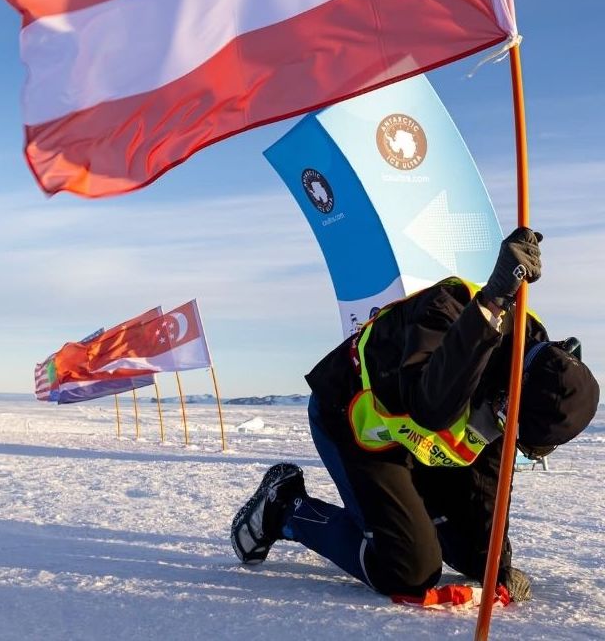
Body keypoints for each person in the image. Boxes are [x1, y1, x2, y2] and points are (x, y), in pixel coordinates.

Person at [231, 228, 600, 603]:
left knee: (480, 558)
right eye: (512, 426)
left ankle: (417, 522)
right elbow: (429, 406)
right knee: (408, 571)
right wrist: (490, 303)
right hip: (356, 422)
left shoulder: (528, 369)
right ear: (511, 394)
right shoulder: (452, 307)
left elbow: (487, 473)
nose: (508, 434)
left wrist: (496, 566)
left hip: (418, 444)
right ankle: (286, 508)